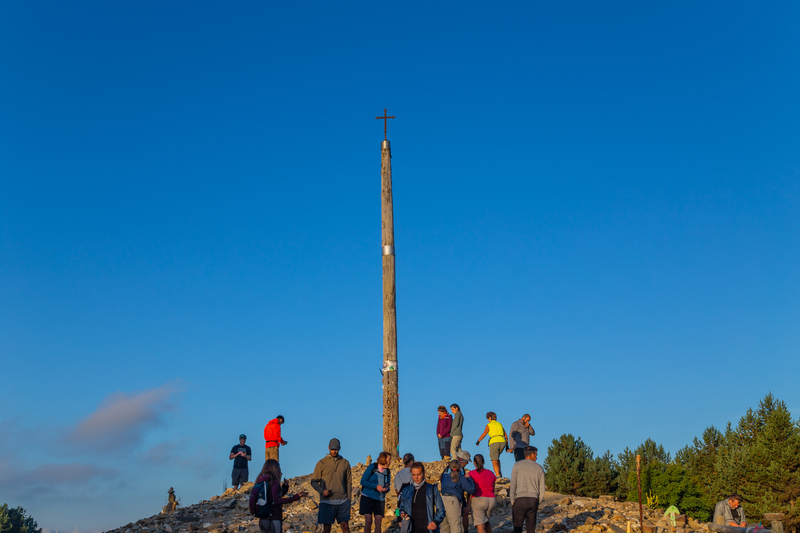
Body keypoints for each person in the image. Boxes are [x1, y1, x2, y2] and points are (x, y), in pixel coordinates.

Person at [253, 459, 309, 533]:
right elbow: (276, 500)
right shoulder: (274, 481)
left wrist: (285, 487)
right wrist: (295, 498)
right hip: (273, 519)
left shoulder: (260, 481)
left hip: (263, 520)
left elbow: (271, 497)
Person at [311, 438, 353, 533]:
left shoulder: (345, 463)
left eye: (336, 449)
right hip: (327, 501)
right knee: (326, 528)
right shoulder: (321, 463)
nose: (334, 451)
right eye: (332, 449)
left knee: (345, 527)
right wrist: (322, 491)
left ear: (340, 448)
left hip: (342, 501)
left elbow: (349, 482)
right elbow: (313, 481)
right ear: (328, 448)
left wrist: (349, 499)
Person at [399, 462, 446, 533]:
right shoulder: (406, 491)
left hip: (428, 530)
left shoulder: (432, 489)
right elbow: (399, 508)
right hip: (411, 530)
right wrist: (400, 515)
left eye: (419, 474)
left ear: (423, 473)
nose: (416, 477)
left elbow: (441, 510)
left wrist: (435, 522)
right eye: (414, 475)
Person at [509, 446, 546, 533]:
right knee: (531, 528)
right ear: (532, 454)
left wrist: (512, 500)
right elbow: (542, 487)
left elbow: (513, 484)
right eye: (536, 455)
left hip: (520, 499)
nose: (536, 457)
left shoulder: (517, 465)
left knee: (517, 528)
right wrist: (538, 500)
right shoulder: (539, 467)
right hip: (533, 500)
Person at [439, 459, 476, 533]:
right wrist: (470, 479)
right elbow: (471, 490)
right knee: (455, 527)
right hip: (453, 501)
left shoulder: (444, 477)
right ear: (460, 468)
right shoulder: (460, 477)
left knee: (444, 528)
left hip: (442, 501)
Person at [360, 451, 392, 533]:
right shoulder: (372, 467)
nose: (390, 461)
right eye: (389, 459)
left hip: (380, 499)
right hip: (367, 497)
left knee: (378, 522)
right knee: (369, 521)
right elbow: (363, 481)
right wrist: (375, 486)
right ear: (384, 459)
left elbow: (388, 485)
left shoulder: (387, 472)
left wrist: (386, 489)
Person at [475, 412, 509, 478]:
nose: (488, 420)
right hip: (502, 442)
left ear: (490, 418)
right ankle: (499, 471)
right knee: (497, 458)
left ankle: (498, 476)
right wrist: (507, 446)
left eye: (488, 418)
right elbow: (506, 435)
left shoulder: (489, 425)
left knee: (494, 460)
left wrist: (478, 441)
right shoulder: (500, 424)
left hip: (494, 442)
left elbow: (484, 434)